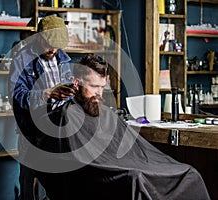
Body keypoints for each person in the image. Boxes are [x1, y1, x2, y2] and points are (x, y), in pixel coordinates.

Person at [28, 54, 210, 200]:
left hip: (123, 166)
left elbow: (137, 150)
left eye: (102, 87)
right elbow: (70, 165)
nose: (98, 93)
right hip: (94, 177)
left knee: (189, 173)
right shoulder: (65, 116)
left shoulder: (105, 114)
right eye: (93, 86)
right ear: (77, 83)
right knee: (135, 179)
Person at [9, 15, 75, 200]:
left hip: (58, 132)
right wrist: (46, 94)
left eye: (57, 45)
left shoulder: (62, 58)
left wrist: (71, 91)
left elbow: (67, 89)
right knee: (29, 186)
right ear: (38, 37)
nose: (53, 49)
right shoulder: (21, 60)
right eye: (49, 43)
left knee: (57, 184)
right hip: (31, 133)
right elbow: (16, 96)